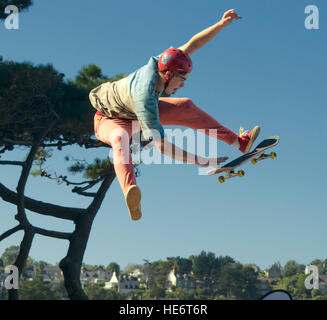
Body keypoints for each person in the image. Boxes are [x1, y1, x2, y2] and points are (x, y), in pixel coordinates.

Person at [89, 9, 260, 221]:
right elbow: (162, 146)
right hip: (108, 119)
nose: (182, 85)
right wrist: (201, 161)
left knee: (186, 106)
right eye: (181, 81)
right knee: (120, 138)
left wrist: (221, 24)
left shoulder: (165, 60)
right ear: (168, 75)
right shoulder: (145, 98)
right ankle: (131, 191)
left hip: (130, 111)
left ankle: (239, 142)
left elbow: (192, 44)